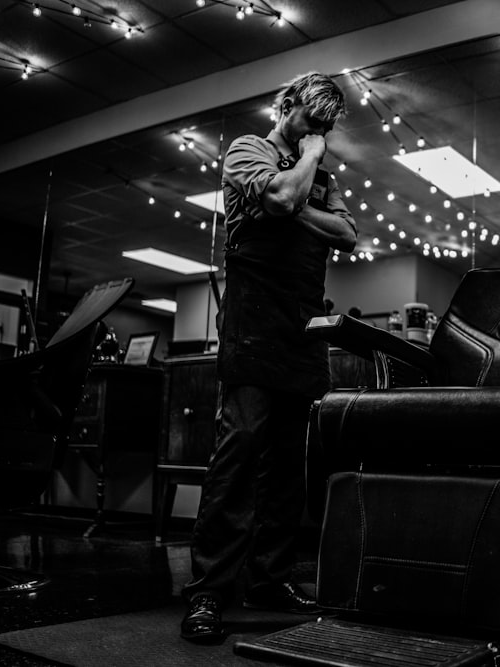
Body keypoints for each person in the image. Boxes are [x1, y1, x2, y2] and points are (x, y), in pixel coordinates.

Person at [180, 72, 356, 644]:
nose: (319, 136)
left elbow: (348, 234)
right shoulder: (247, 151)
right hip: (253, 320)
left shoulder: (319, 179)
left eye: (327, 129)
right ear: (286, 107)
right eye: (312, 122)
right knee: (241, 448)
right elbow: (279, 196)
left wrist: (296, 199)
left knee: (287, 462)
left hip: (301, 326)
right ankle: (209, 589)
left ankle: (268, 579)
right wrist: (299, 180)